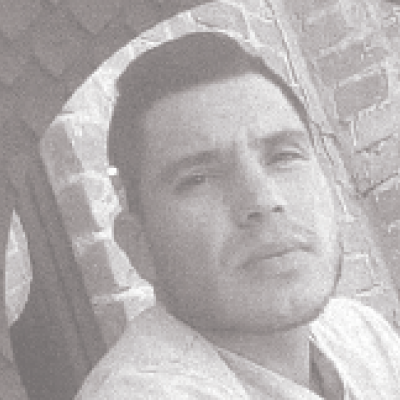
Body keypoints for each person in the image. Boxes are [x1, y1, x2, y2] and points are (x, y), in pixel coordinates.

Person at [75, 32, 400, 400]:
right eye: (197, 179)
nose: (264, 200)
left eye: (283, 156)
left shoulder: (363, 334)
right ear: (140, 246)